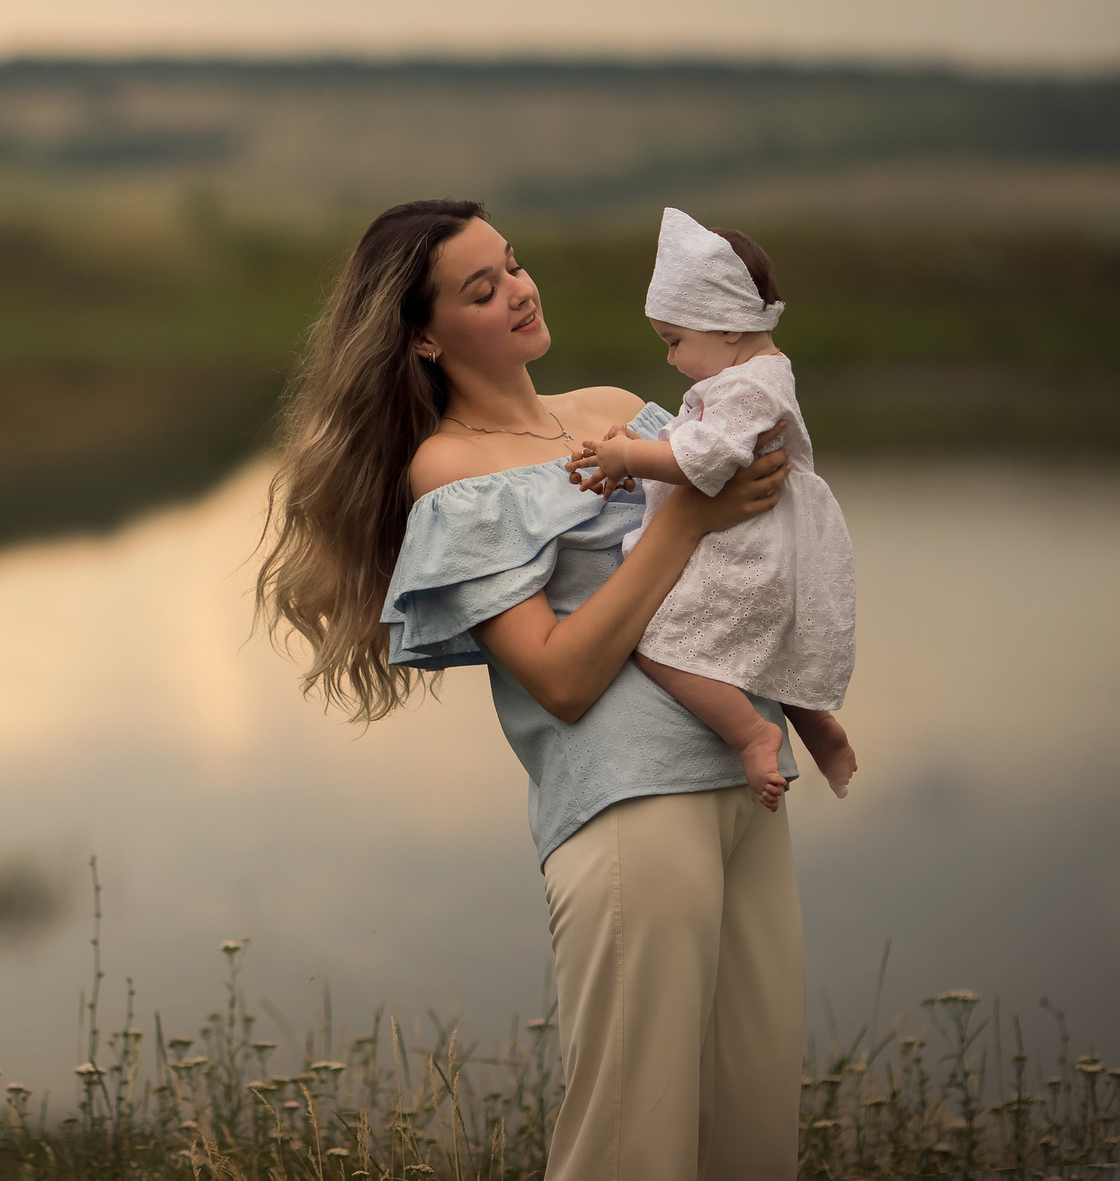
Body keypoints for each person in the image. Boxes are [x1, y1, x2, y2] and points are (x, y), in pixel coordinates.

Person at [257, 198, 801, 1180]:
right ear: (421, 336)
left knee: (753, 1139)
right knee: (628, 1151)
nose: (517, 290)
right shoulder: (449, 470)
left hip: (745, 783)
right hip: (631, 809)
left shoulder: (614, 412)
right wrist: (681, 523)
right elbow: (556, 676)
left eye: (512, 265)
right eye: (480, 287)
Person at [566, 208, 858, 810]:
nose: (671, 360)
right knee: (764, 646)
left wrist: (631, 457)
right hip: (758, 540)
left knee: (658, 643)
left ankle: (752, 734)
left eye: (676, 342)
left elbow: (706, 458)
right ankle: (815, 722)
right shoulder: (753, 376)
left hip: (745, 549)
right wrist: (636, 447)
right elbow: (698, 436)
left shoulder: (747, 385)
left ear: (726, 325)